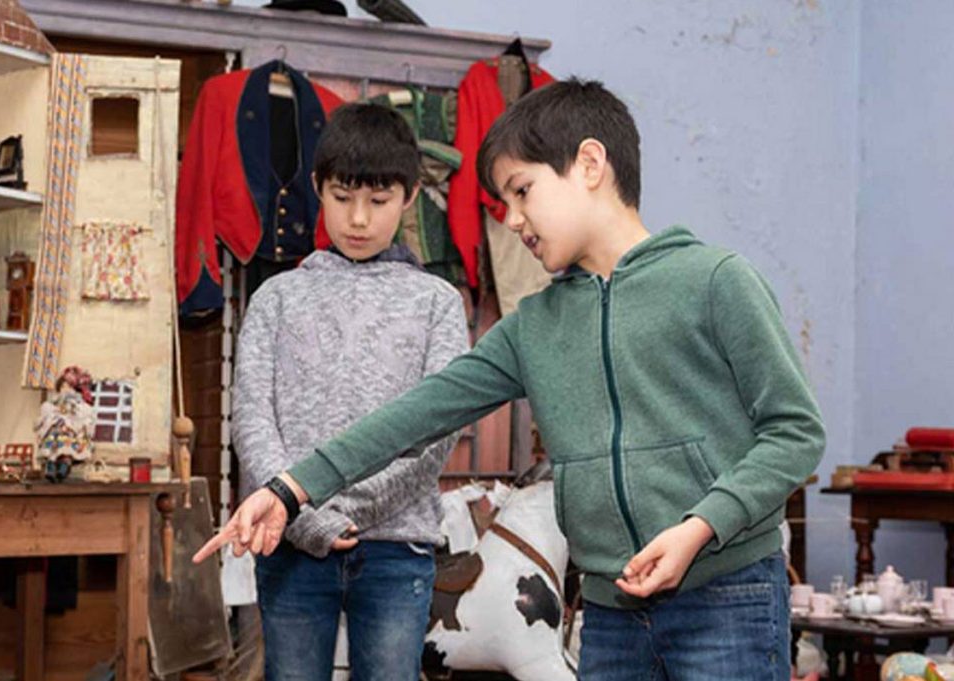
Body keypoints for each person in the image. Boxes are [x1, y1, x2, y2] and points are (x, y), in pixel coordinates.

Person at [197, 79, 826, 681]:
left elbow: (795, 433)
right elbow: (415, 415)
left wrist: (702, 525)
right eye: (504, 202)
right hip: (610, 609)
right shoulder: (536, 325)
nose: (513, 219)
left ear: (589, 164)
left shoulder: (715, 282)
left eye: (522, 192)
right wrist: (288, 489)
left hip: (727, 594)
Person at [229, 102, 469, 681]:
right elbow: (251, 416)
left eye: (379, 201)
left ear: (410, 197)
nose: (358, 219)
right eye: (342, 197)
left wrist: (337, 512)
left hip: (394, 548)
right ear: (317, 188)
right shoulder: (277, 297)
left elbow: (437, 435)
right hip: (289, 543)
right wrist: (301, 517)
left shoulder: (437, 303)